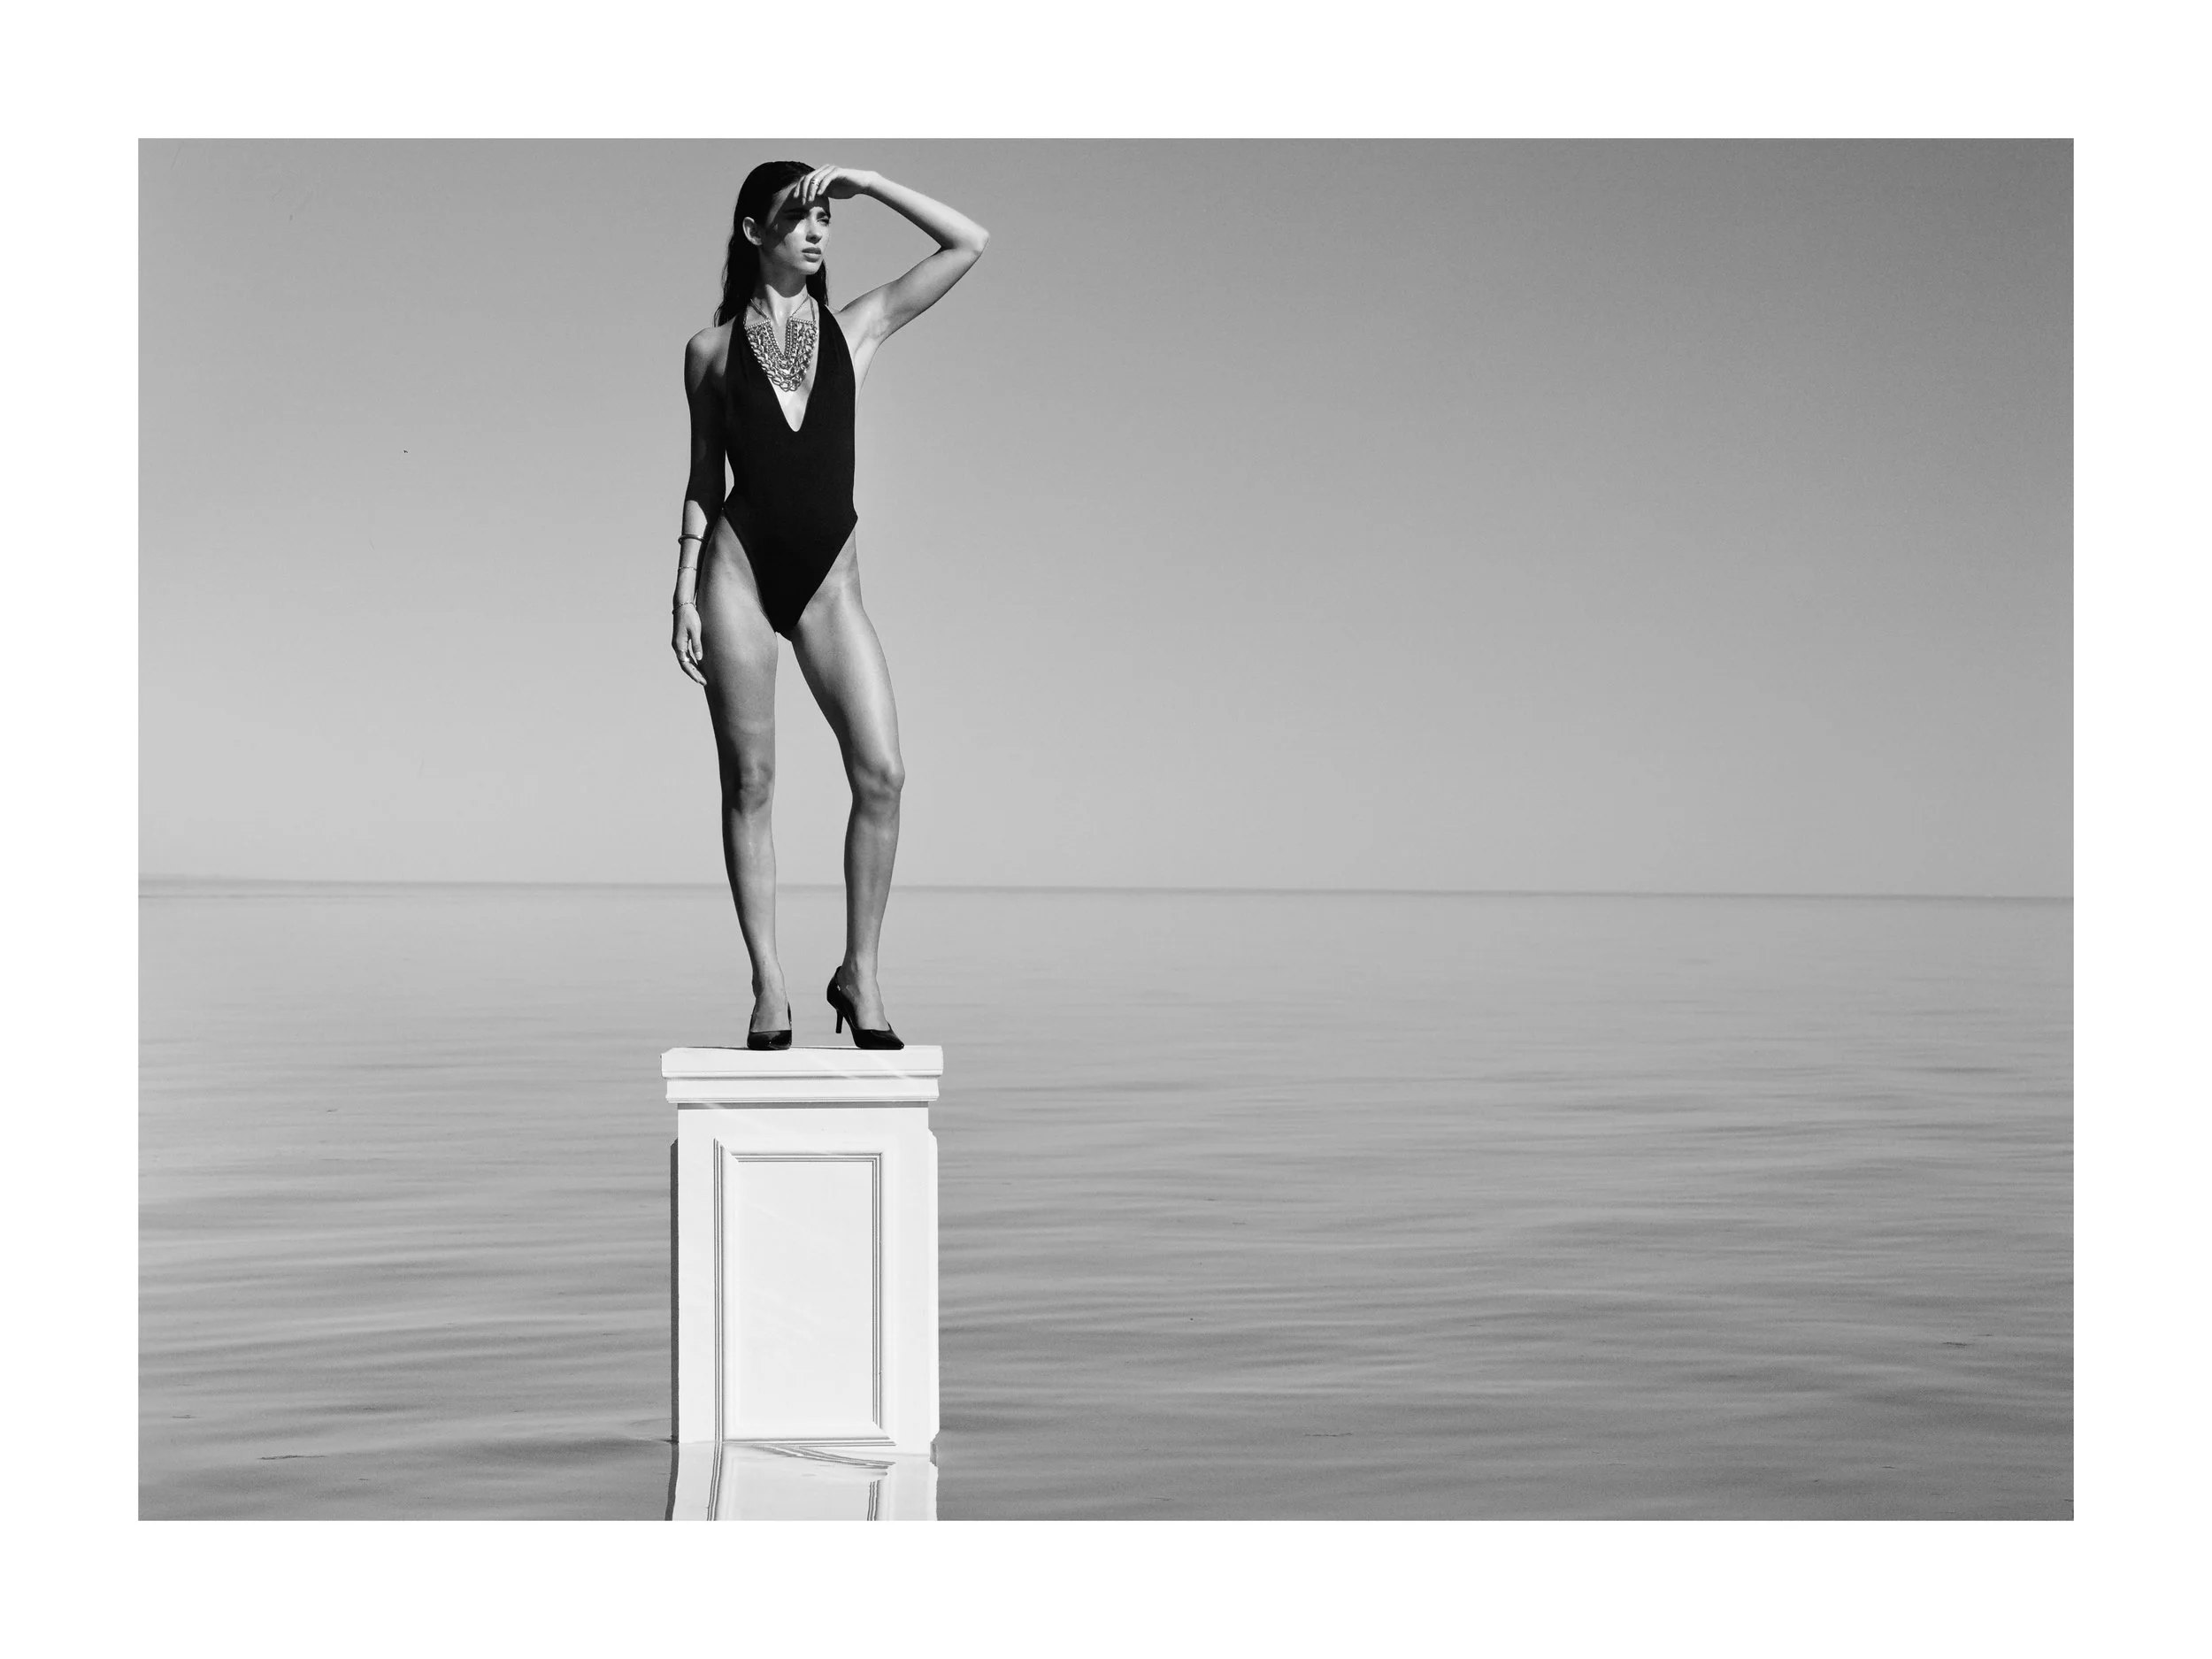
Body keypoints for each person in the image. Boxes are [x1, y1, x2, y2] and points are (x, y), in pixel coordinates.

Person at [672, 161, 987, 1050]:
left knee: (882, 774)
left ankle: (861, 973)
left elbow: (968, 243)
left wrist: (873, 181)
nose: (817, 233)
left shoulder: (859, 329)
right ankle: (769, 988)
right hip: (734, 572)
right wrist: (682, 585)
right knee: (751, 783)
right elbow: (703, 476)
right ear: (752, 232)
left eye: (824, 220)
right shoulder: (709, 351)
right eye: (797, 219)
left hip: (831, 584)